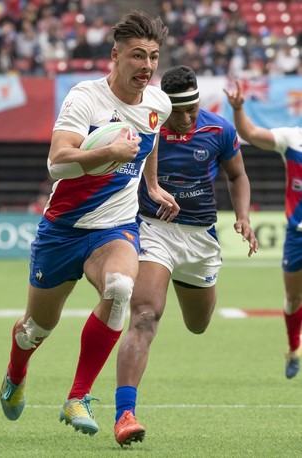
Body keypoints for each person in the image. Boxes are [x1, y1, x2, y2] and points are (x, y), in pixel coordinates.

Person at [0, 10, 179, 437]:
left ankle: (77, 397)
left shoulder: (159, 102)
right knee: (34, 330)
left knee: (120, 289)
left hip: (115, 229)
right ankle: (16, 372)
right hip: (62, 230)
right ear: (115, 57)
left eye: (153, 57)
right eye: (137, 56)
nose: (148, 66)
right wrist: (108, 153)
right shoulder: (85, 98)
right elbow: (57, 163)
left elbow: (149, 139)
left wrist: (150, 185)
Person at [114, 65, 259, 447]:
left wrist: (243, 216)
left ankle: (189, 280)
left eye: (193, 107)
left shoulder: (218, 129)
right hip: (153, 230)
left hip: (200, 239)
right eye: (180, 110)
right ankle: (125, 414)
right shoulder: (148, 127)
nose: (189, 117)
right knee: (145, 316)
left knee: (198, 325)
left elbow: (237, 175)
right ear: (165, 106)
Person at [224, 80, 302, 379]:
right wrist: (239, 109)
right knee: (293, 298)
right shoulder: (293, 139)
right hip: (297, 235)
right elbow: (251, 134)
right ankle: (294, 347)